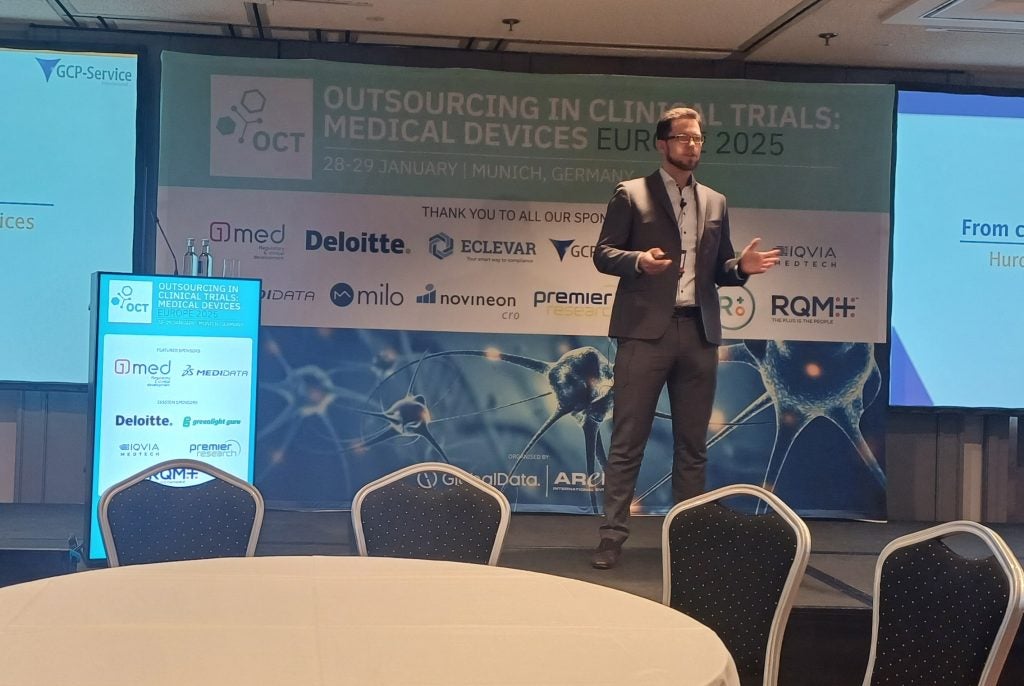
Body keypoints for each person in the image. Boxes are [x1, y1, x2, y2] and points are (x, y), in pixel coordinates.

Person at [591, 107, 780, 570]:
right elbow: (603, 254)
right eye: (683, 138)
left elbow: (720, 267)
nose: (692, 146)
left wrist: (740, 269)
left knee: (693, 444)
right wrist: (639, 261)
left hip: (698, 331)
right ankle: (612, 535)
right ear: (663, 144)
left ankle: (686, 540)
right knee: (628, 439)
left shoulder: (715, 201)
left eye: (697, 139)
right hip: (644, 334)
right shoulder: (631, 194)